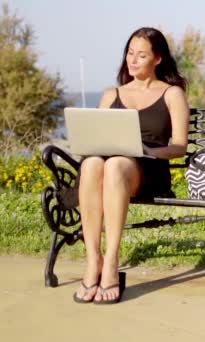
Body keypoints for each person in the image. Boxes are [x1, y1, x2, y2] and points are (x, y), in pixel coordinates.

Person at [72, 27, 189, 304]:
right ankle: (93, 261)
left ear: (157, 59)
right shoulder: (111, 94)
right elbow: (96, 137)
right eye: (130, 53)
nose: (132, 60)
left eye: (141, 55)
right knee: (91, 165)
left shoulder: (172, 94)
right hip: (110, 165)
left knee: (115, 166)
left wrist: (148, 150)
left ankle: (111, 262)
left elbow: (180, 146)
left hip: (148, 168)